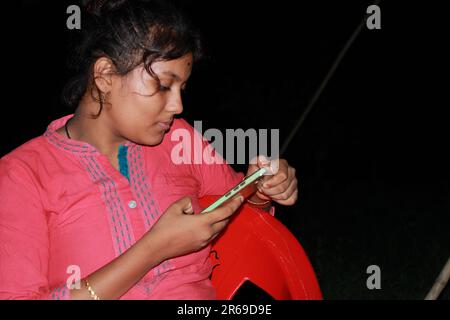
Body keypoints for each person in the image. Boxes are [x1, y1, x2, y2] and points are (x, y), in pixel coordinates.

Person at [0, 0, 298, 300]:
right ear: (104, 76)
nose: (178, 106)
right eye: (163, 86)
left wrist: (262, 190)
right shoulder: (23, 175)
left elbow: (243, 216)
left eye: (182, 88)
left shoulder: (180, 139)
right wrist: (154, 249)